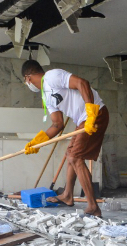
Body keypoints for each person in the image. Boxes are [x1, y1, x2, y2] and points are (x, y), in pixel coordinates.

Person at [21, 60, 109, 217]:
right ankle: (68, 195)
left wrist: (91, 113)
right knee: (70, 154)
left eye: (25, 81)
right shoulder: (46, 97)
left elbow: (82, 83)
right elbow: (57, 124)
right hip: (82, 120)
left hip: (96, 113)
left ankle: (93, 207)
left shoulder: (52, 76)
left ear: (28, 78)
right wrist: (37, 142)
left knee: (75, 157)